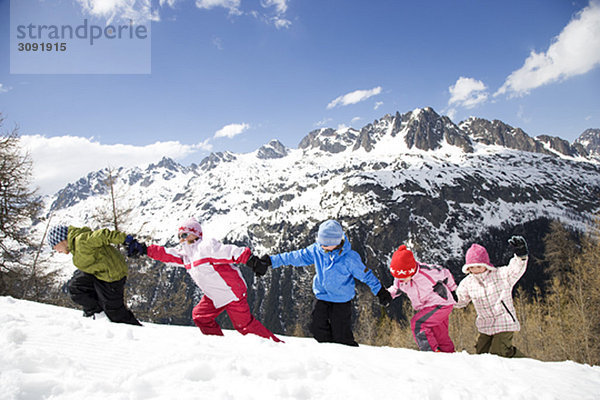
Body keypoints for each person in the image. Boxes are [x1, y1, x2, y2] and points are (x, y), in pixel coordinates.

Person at [130, 217, 281, 342]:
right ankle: (217, 344)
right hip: (213, 295)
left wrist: (252, 261)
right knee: (200, 316)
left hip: (232, 292)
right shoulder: (185, 255)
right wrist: (144, 249)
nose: (181, 239)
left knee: (244, 326)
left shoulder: (206, 247)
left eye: (185, 234)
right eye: (179, 236)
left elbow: (230, 252)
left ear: (195, 234)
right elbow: (166, 254)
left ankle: (275, 346)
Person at [254, 219, 392, 346]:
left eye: (326, 244)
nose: (322, 246)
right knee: (317, 327)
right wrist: (271, 260)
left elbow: (366, 275)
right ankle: (329, 353)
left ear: (337, 242)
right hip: (322, 296)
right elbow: (296, 256)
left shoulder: (350, 258)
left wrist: (379, 291)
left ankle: (349, 358)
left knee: (342, 335)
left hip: (341, 301)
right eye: (321, 242)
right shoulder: (317, 250)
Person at [47, 225, 142, 325]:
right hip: (98, 272)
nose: (56, 251)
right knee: (76, 287)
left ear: (61, 240)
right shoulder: (75, 246)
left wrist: (125, 240)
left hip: (111, 275)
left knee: (115, 313)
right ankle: (98, 314)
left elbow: (104, 235)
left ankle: (136, 333)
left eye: (54, 247)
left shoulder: (82, 240)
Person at [454, 236, 528, 358]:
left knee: (499, 352)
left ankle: (527, 363)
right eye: (472, 267)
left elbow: (515, 271)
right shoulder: (468, 283)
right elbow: (461, 300)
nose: (476, 270)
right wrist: (451, 297)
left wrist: (521, 256)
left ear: (486, 264)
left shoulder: (500, 275)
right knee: (481, 354)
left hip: (504, 322)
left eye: (479, 266)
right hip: (485, 325)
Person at [386, 245, 457, 352]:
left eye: (403, 278)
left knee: (418, 323)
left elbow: (445, 273)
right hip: (427, 307)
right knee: (440, 335)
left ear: (411, 271)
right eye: (398, 278)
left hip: (441, 304)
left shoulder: (427, 273)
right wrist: (386, 295)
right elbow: (396, 288)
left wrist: (453, 290)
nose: (401, 280)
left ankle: (430, 353)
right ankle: (449, 356)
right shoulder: (400, 278)